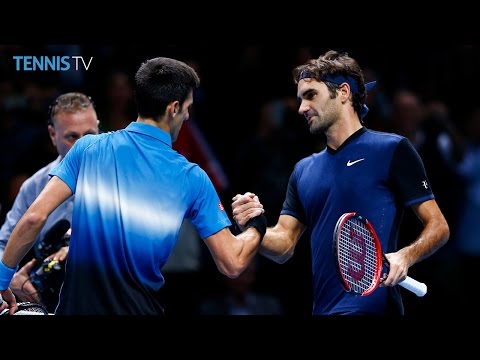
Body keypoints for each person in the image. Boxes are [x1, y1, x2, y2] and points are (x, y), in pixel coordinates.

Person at [0, 57, 266, 315]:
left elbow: (34, 217)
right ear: (173, 108)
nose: (187, 116)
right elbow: (232, 262)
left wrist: (1, 281)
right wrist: (256, 225)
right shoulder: (191, 177)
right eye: (187, 107)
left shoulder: (87, 148)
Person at [232, 50, 450, 315]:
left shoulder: (392, 149)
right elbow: (284, 247)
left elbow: (439, 226)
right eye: (300, 99)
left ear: (344, 92)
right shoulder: (303, 170)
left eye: (311, 95)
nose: (301, 108)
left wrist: (406, 255)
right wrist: (256, 226)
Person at [0, 92, 100, 311]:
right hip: (50, 302)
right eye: (72, 137)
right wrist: (9, 279)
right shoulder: (34, 187)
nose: (83, 146)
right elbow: (3, 245)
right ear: (53, 135)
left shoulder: (124, 180)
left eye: (90, 135)